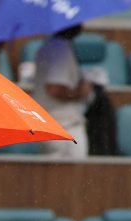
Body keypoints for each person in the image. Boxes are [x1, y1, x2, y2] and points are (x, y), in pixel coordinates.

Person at [32, 25, 92, 159]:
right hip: (64, 127)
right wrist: (80, 92)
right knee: (72, 172)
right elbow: (54, 89)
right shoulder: (60, 49)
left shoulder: (46, 47)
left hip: (50, 126)